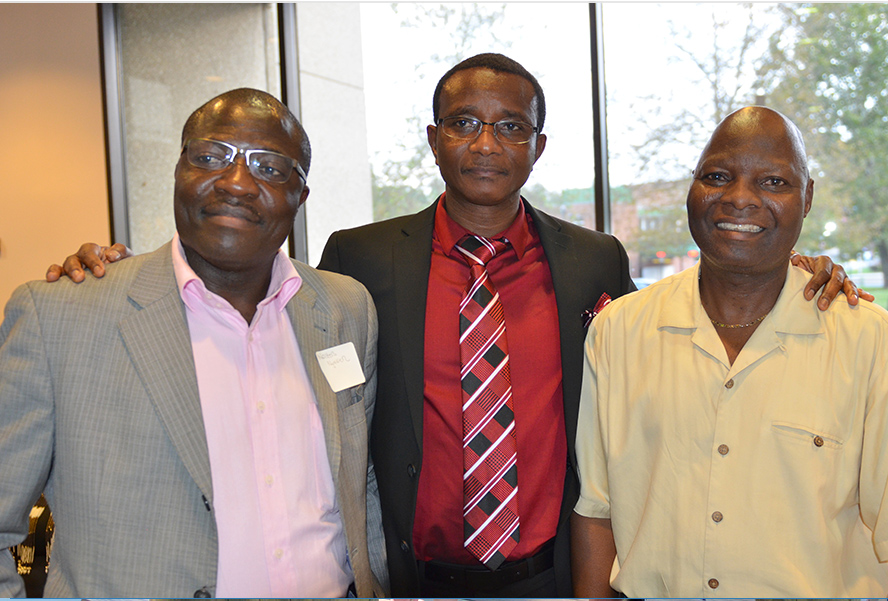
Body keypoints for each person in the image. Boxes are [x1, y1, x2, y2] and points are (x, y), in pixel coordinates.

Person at [49, 55, 862, 597]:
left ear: (539, 146)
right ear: (433, 139)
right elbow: (252, 299)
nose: (485, 142)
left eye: (510, 125)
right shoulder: (356, 261)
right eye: (464, 122)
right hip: (412, 578)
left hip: (553, 576)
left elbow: (700, 306)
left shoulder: (595, 261)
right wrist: (116, 267)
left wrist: (803, 270)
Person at [0, 88, 387, 598]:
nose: (236, 184)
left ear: (301, 196)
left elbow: (361, 480)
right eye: (210, 157)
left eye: (270, 168)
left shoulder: (345, 308)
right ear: (179, 171)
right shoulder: (61, 315)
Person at [571, 106, 888, 597]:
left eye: (773, 182)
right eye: (717, 177)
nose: (739, 199)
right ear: (691, 191)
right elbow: (596, 510)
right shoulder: (619, 331)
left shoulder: (869, 342)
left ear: (806, 198)